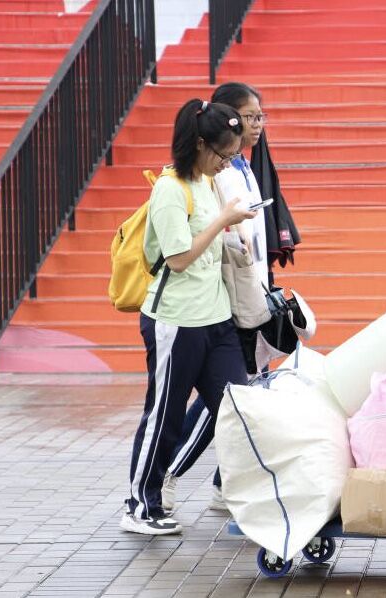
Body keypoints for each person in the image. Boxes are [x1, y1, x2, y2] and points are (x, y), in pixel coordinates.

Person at [120, 99, 256, 535]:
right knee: (165, 414)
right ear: (199, 144)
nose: (227, 163)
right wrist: (224, 220)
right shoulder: (170, 188)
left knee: (236, 407)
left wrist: (235, 235)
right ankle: (141, 505)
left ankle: (239, 494)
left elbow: (210, 243)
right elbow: (178, 259)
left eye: (232, 155)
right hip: (175, 321)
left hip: (217, 318)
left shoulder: (207, 181)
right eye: (223, 154)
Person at [160, 83, 282, 513]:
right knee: (226, 400)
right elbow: (209, 244)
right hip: (224, 301)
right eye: (249, 117)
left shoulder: (242, 165)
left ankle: (224, 483)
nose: (257, 125)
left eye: (260, 116)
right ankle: (169, 472)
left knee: (238, 396)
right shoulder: (219, 172)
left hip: (248, 292)